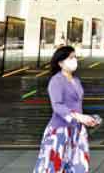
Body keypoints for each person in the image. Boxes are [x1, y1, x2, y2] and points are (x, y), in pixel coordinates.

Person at [35, 45, 98, 173]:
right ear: (60, 63)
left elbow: (77, 104)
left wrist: (86, 119)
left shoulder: (76, 80)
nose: (74, 60)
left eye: (75, 57)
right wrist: (79, 117)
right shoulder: (56, 81)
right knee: (52, 167)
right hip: (60, 131)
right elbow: (57, 106)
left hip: (77, 130)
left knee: (79, 166)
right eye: (70, 58)